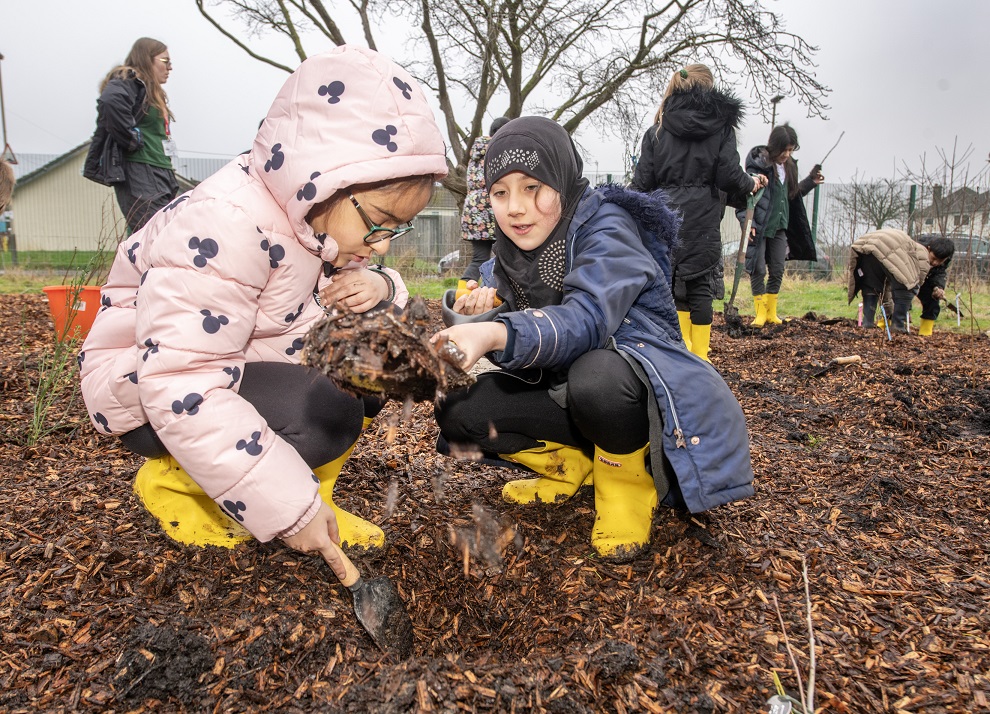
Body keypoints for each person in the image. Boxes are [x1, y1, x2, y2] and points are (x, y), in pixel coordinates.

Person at [78, 47, 448, 580]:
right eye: (381, 223)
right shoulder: (222, 226)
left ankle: (312, 497)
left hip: (241, 362)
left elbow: (353, 300)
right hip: (155, 393)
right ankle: (179, 487)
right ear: (327, 179)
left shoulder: (313, 221)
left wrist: (378, 284)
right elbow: (182, 383)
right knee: (328, 411)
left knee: (375, 366)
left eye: (398, 230)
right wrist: (286, 511)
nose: (384, 244)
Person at [431, 116, 754, 562]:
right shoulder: (506, 255)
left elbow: (585, 323)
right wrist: (482, 314)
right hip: (565, 394)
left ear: (562, 181)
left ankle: (626, 484)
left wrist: (494, 331)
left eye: (532, 188)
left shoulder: (608, 228)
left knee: (597, 375)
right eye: (500, 193)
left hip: (636, 400)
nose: (516, 208)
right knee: (459, 409)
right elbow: (524, 352)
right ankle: (572, 465)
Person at [630, 65, 765, 362]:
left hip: (665, 217)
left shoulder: (657, 132)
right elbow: (729, 177)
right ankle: (701, 355)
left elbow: (642, 183)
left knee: (674, 283)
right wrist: (751, 184)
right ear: (709, 90)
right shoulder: (721, 129)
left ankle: (681, 348)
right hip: (704, 217)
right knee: (700, 285)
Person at [83, 37, 180, 234]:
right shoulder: (129, 80)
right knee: (154, 236)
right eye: (165, 61)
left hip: (160, 170)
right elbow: (110, 101)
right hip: (140, 170)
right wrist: (131, 138)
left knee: (158, 235)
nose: (170, 67)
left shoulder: (151, 91)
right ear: (146, 58)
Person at [738, 123, 824, 327]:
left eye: (790, 150)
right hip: (759, 225)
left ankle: (771, 313)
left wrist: (811, 181)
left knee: (777, 269)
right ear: (774, 147)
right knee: (758, 268)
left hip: (780, 226)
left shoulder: (790, 166)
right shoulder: (758, 165)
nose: (787, 154)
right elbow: (743, 196)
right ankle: (759, 313)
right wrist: (746, 222)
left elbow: (792, 195)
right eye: (784, 149)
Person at [848, 229, 954, 334]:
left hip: (866, 243)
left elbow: (939, 273)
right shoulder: (921, 254)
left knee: (871, 287)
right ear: (929, 249)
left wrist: (938, 286)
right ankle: (896, 326)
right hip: (886, 249)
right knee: (903, 290)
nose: (935, 263)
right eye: (934, 258)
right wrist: (904, 309)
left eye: (940, 261)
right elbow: (909, 286)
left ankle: (868, 324)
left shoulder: (919, 250)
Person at [460, 116, 511, 281]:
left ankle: (463, 296)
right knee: (506, 258)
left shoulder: (476, 153)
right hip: (493, 210)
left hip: (473, 212)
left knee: (479, 259)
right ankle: (501, 296)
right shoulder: (500, 150)